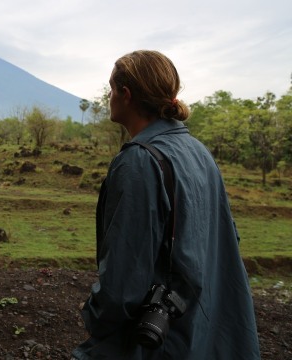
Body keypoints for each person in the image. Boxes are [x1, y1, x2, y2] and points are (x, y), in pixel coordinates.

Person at [72, 50, 260, 359]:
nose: (108, 96)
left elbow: (123, 283)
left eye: (111, 88)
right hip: (201, 331)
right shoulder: (198, 152)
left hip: (157, 343)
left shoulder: (138, 161)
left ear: (126, 94)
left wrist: (94, 313)